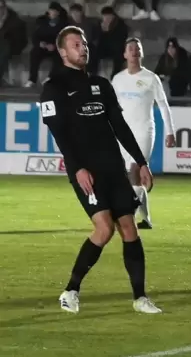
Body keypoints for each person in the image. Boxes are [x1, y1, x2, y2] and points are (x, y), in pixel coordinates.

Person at [39, 26, 160, 315]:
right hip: (85, 171)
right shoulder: (52, 87)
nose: (83, 48)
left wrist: (141, 162)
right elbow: (59, 134)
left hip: (113, 168)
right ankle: (71, 290)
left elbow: (119, 126)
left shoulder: (102, 85)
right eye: (75, 44)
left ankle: (140, 298)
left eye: (83, 43)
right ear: (63, 51)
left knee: (130, 228)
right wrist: (78, 167)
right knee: (105, 229)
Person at [112, 38, 177, 229]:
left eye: (137, 49)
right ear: (124, 54)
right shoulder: (118, 79)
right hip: (124, 133)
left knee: (134, 171)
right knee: (130, 177)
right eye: (130, 49)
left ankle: (126, 215)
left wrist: (170, 131)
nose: (133, 52)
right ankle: (146, 219)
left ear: (141, 53)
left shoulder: (151, 78)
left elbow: (163, 105)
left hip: (144, 131)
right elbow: (112, 107)